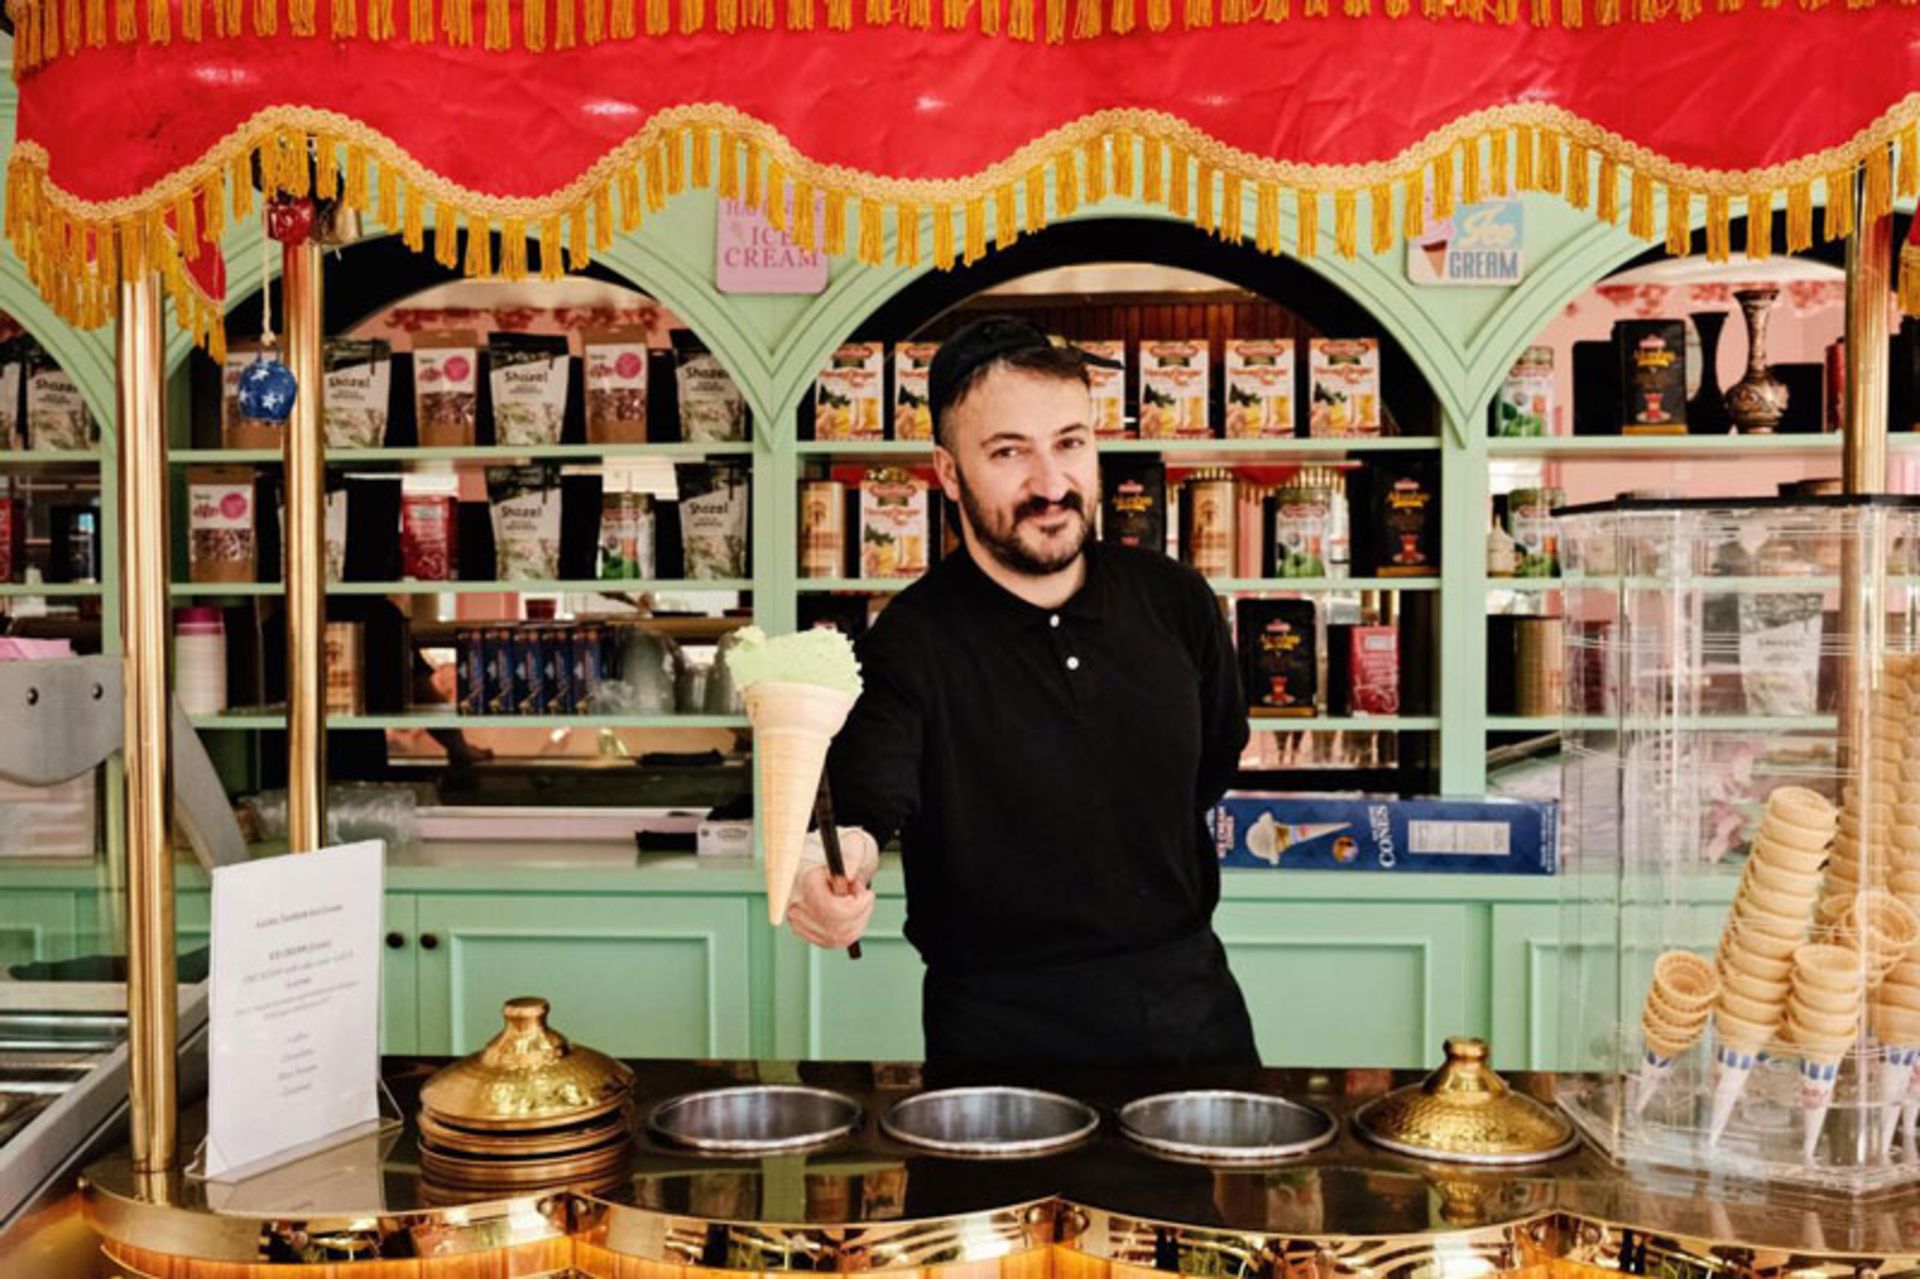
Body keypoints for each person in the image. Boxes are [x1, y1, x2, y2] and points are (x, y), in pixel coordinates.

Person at [789, 315, 1257, 1069]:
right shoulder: (912, 638)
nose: (1051, 484)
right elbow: (866, 803)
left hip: (1189, 1013)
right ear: (947, 472)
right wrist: (825, 872)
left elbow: (1215, 762)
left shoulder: (1176, 601)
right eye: (1009, 452)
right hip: (996, 1036)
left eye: (1070, 442)